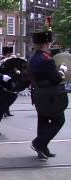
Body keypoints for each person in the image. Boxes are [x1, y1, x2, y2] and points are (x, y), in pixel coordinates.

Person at [29, 31, 66, 161]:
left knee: (43, 121)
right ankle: (38, 143)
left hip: (38, 94)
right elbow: (56, 79)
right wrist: (62, 70)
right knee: (59, 120)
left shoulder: (32, 59)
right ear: (45, 44)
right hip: (51, 96)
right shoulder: (47, 60)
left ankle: (42, 149)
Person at [1, 47, 16, 117]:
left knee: (12, 96)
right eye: (10, 53)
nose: (11, 54)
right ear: (7, 54)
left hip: (11, 80)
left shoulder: (11, 60)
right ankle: (4, 110)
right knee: (7, 96)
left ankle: (6, 110)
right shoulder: (3, 60)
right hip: (5, 81)